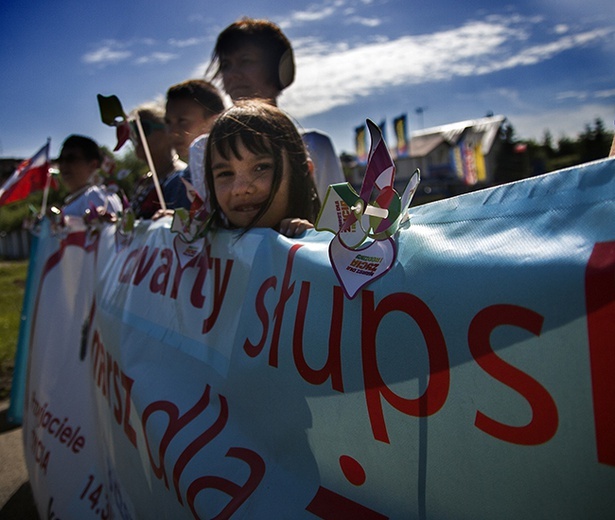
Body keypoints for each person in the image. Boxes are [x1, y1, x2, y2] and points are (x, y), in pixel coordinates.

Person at [205, 17, 346, 200]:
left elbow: (341, 223)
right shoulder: (205, 148)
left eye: (245, 61)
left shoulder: (316, 146)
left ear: (279, 68)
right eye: (226, 65)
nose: (233, 74)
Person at [204, 100, 320, 237]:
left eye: (261, 167)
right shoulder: (200, 245)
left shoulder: (337, 250)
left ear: (304, 172)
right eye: (225, 173)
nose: (240, 189)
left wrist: (310, 246)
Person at [129, 102, 189, 218]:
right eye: (132, 131)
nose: (136, 137)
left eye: (143, 128)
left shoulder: (183, 178)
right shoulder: (143, 182)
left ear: (168, 132)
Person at [57, 135, 122, 217]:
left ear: (92, 165)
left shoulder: (95, 196)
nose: (63, 165)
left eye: (71, 159)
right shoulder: (77, 200)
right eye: (60, 160)